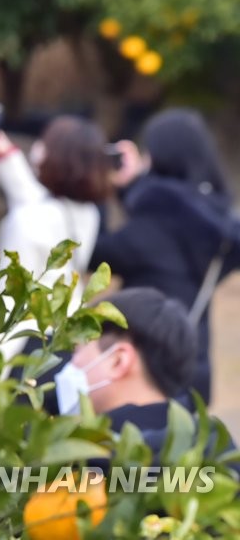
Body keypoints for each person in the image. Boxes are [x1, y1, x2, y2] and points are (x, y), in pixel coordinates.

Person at [89, 108, 240, 406]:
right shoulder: (216, 220)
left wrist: (99, 191)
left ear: (159, 158)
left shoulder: (157, 214)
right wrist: (134, 186)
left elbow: (98, 254)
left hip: (147, 370)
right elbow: (169, 220)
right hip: (192, 366)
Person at [55, 288, 240, 475]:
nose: (71, 365)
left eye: (76, 352)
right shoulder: (218, 454)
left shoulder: (83, 465)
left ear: (117, 361)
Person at [0, 118, 112, 361]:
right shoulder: (88, 214)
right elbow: (37, 202)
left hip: (24, 345)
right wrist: (8, 158)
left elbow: (10, 302)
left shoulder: (28, 220)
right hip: (66, 339)